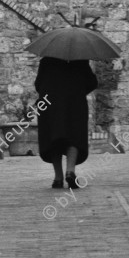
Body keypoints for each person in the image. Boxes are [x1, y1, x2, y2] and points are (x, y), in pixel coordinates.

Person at [34, 56, 98, 189]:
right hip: (74, 103)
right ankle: (70, 171)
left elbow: (38, 84)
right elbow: (92, 82)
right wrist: (77, 90)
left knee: (54, 138)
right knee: (74, 136)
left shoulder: (47, 60)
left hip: (50, 103)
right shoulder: (80, 60)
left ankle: (58, 178)